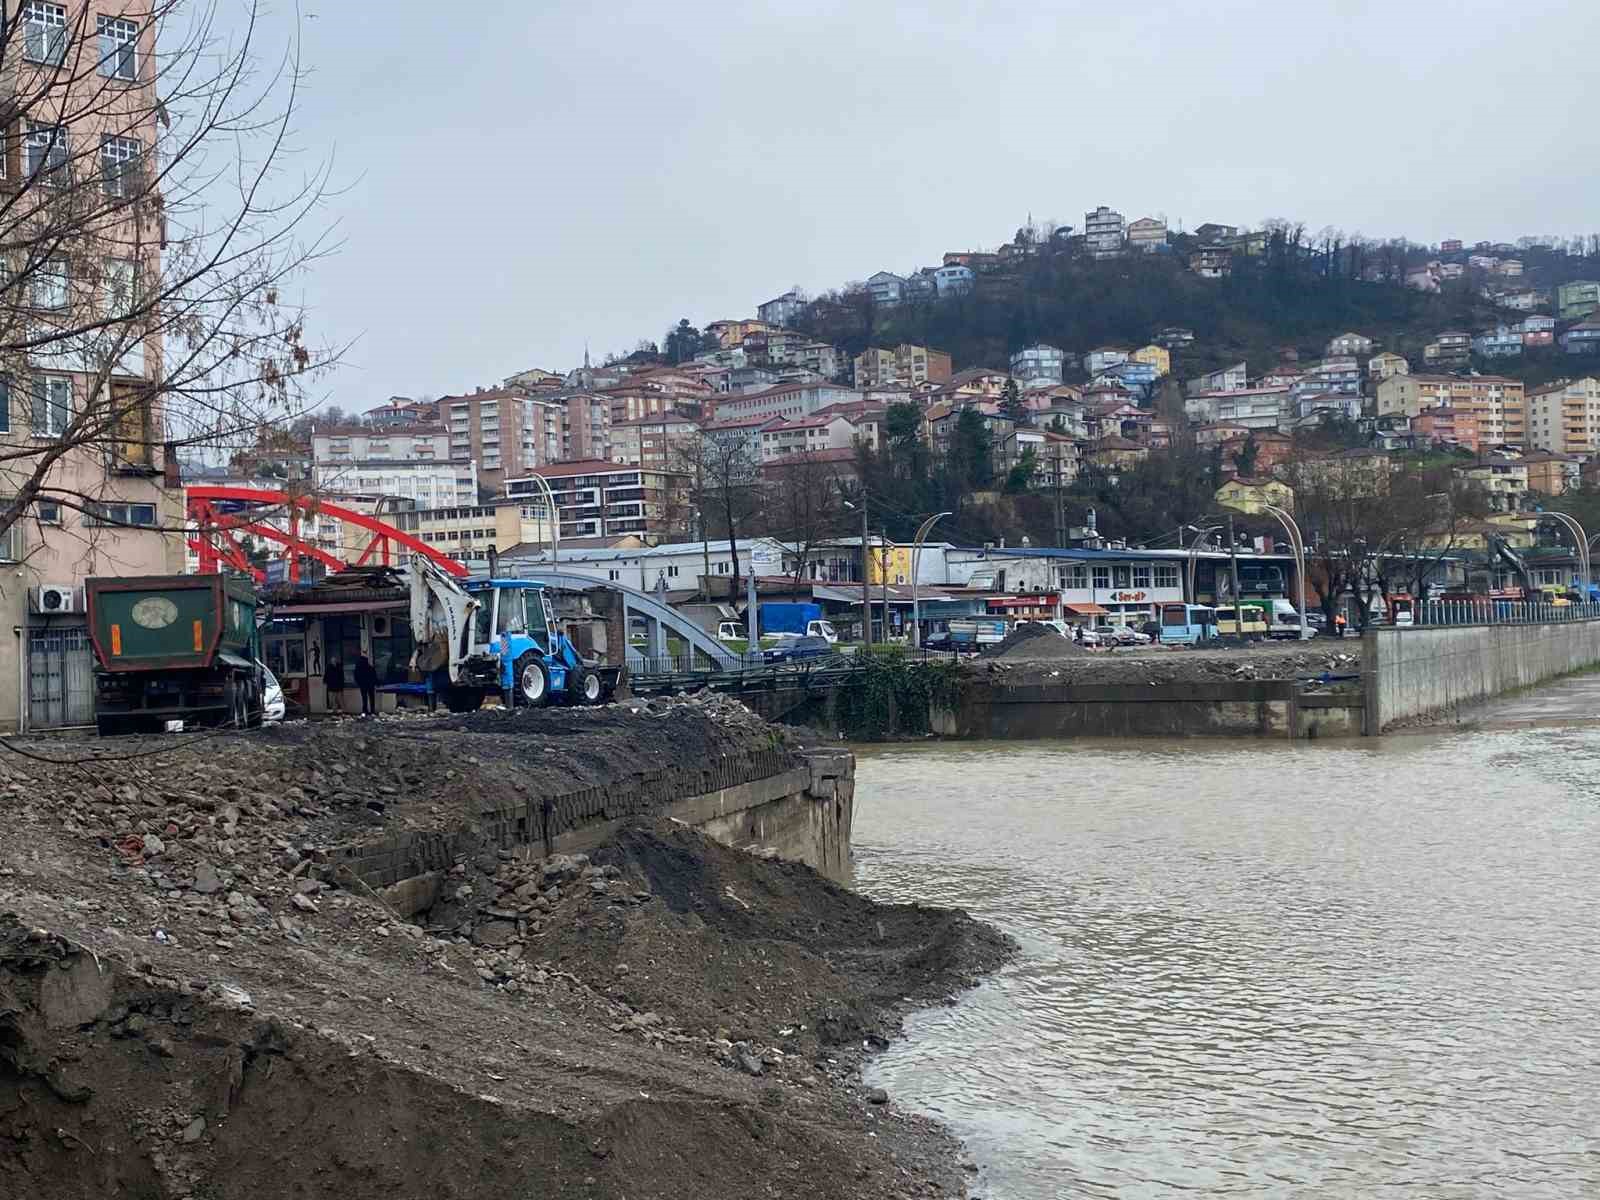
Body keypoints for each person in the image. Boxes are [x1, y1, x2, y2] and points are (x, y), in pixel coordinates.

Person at [354, 652, 378, 717]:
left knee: (364, 698)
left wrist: (359, 683)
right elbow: (374, 676)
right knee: (371, 698)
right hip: (370, 685)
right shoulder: (370, 667)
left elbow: (356, 676)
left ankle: (365, 711)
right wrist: (375, 683)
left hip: (363, 685)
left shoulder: (358, 668)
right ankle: (372, 710)